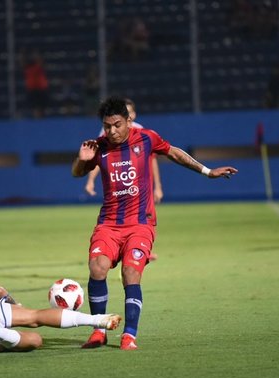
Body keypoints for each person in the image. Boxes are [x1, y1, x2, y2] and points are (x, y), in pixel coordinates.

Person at [72, 96, 237, 350]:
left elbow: (175, 154)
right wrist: (82, 159)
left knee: (130, 273)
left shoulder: (146, 138)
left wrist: (207, 171)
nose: (112, 131)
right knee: (97, 268)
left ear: (129, 121)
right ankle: (98, 330)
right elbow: (78, 172)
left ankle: (129, 335)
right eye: (107, 126)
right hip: (109, 224)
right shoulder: (100, 146)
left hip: (140, 224)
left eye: (117, 125)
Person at [85, 98, 162, 261]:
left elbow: (153, 159)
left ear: (132, 116)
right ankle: (123, 250)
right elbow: (99, 159)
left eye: (131, 111)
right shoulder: (107, 134)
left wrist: (158, 187)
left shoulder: (142, 133)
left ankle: (137, 250)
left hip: (141, 187)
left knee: (144, 219)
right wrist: (90, 180)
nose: (112, 130)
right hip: (118, 193)